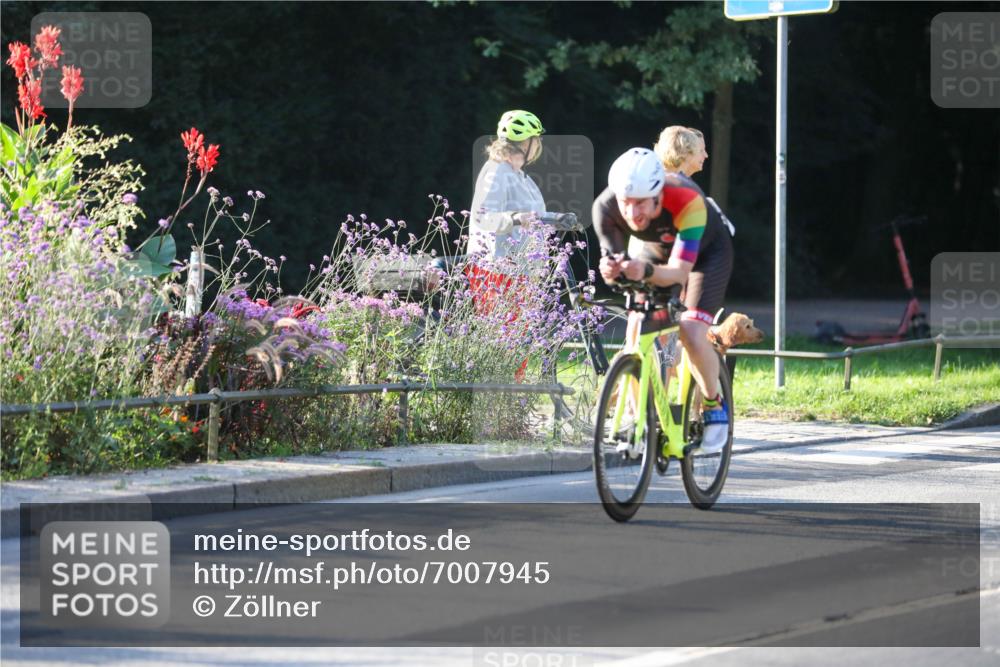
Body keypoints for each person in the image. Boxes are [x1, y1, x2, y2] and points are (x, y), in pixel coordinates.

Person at [593, 148, 734, 453]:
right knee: (636, 327)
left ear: (658, 195)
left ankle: (713, 404)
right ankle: (640, 420)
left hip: (706, 256)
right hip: (656, 250)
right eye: (625, 202)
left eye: (641, 202)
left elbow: (679, 273)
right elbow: (616, 271)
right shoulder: (605, 207)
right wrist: (612, 270)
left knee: (691, 332)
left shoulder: (687, 201)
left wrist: (643, 271)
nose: (632, 212)